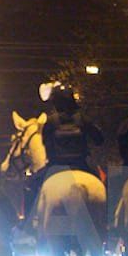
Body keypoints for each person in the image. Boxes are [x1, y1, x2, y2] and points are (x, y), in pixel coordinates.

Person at [24, 81, 105, 216]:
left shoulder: (50, 122)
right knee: (102, 185)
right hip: (82, 165)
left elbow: (46, 144)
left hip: (56, 167)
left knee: (31, 185)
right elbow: (99, 140)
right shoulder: (83, 119)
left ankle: (28, 223)